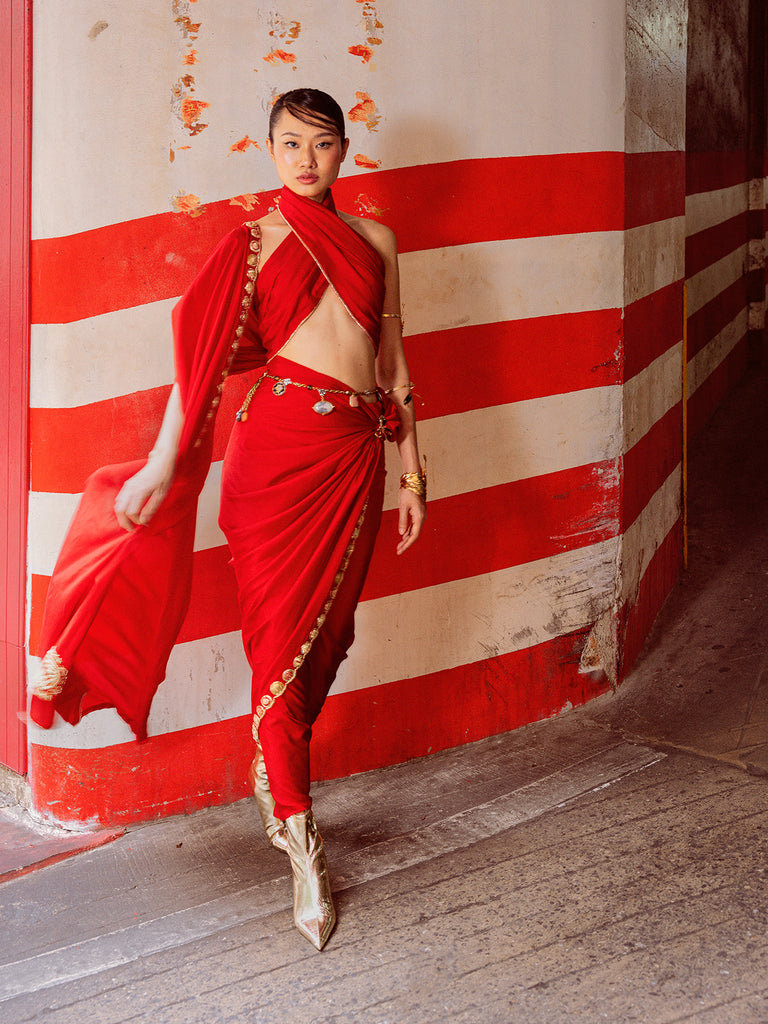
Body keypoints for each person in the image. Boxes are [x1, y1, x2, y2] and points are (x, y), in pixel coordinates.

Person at [31, 89, 425, 951]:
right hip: (273, 460)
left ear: (344, 150)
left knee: (332, 633)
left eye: (323, 145)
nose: (307, 160)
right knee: (281, 635)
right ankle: (301, 837)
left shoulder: (378, 243)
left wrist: (413, 472)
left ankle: (273, 756)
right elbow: (197, 367)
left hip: (355, 455)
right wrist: (168, 460)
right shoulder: (251, 246)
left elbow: (394, 365)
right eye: (292, 144)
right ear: (270, 150)